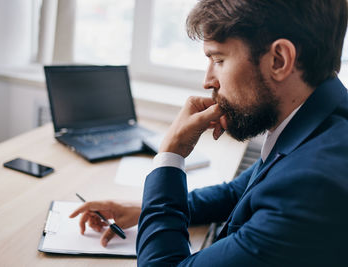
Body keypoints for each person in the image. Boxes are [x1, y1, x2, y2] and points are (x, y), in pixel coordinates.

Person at [70, 0, 348, 265]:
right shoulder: (319, 120)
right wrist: (146, 209)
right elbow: (234, 194)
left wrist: (171, 154)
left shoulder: (311, 187)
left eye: (219, 59)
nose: (207, 81)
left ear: (279, 59)